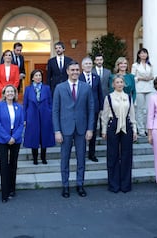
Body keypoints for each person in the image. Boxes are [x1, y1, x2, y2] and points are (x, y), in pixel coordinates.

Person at [52, 61, 94, 198]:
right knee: (65, 159)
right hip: (65, 129)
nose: (75, 72)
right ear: (67, 72)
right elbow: (55, 110)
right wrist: (57, 130)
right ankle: (65, 185)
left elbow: (91, 109)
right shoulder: (59, 88)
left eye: (77, 70)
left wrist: (90, 129)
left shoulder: (86, 88)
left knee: (81, 158)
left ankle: (80, 184)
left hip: (82, 129)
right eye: (72, 70)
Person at [101, 75, 137, 193]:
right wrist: (104, 130)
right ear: (113, 84)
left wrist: (135, 129)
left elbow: (132, 114)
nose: (120, 84)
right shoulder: (109, 98)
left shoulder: (128, 97)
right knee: (113, 156)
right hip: (113, 125)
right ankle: (114, 184)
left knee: (127, 156)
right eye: (117, 82)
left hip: (126, 125)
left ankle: (125, 185)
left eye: (121, 82)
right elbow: (105, 116)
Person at [0, 85, 24, 203]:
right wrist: (7, 138)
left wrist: (14, 137)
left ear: (15, 93)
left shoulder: (19, 107)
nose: (10, 93)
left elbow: (22, 124)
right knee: (4, 166)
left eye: (12, 91)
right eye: (8, 91)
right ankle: (4, 193)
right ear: (4, 93)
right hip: (2, 140)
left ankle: (12, 189)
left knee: (13, 165)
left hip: (15, 140)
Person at [23, 69, 55, 165]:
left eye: (40, 76)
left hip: (45, 115)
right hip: (32, 116)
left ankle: (43, 157)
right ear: (32, 78)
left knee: (44, 136)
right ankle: (35, 158)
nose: (38, 77)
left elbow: (50, 102)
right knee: (34, 137)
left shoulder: (46, 88)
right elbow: (25, 104)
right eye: (36, 76)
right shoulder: (28, 89)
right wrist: (24, 118)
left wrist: (50, 113)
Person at [79, 56, 103, 162]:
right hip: (81, 109)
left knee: (92, 131)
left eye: (89, 64)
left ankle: (92, 154)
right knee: (82, 131)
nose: (88, 66)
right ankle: (82, 153)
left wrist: (101, 108)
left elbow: (100, 93)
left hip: (94, 108)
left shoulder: (96, 77)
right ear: (82, 66)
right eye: (86, 64)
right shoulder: (78, 77)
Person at [131, 48, 154, 137]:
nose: (144, 55)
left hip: (149, 88)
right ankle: (140, 129)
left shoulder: (150, 65)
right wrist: (140, 78)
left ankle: (147, 128)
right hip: (139, 88)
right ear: (139, 55)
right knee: (140, 110)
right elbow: (133, 77)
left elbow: (152, 76)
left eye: (145, 53)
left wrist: (150, 78)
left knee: (149, 110)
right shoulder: (135, 65)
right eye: (142, 53)